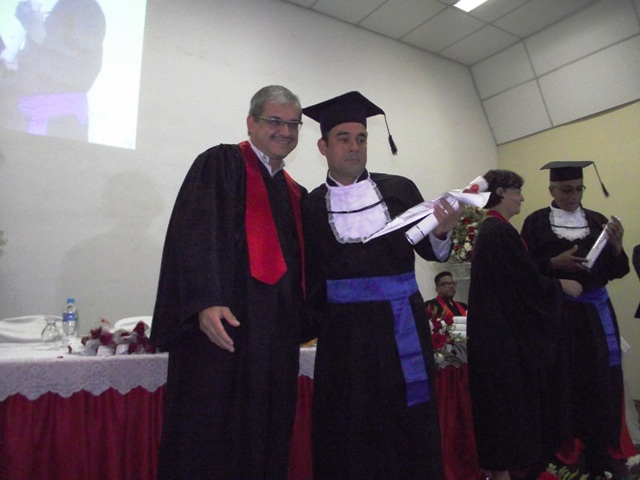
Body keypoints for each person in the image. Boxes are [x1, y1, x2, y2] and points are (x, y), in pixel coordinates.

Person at [302, 91, 462, 480]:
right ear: (323, 146)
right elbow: (310, 276)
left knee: (407, 420)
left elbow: (431, 250)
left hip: (401, 327)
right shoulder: (310, 206)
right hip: (345, 338)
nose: (354, 146)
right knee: (350, 423)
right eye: (343, 138)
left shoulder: (400, 189)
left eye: (361, 138)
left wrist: (442, 230)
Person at [150, 85, 307, 480]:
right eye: (275, 121)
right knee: (211, 435)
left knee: (267, 434)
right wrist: (204, 300)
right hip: (220, 334)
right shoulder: (220, 163)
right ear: (251, 122)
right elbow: (194, 232)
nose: (285, 131)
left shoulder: (295, 193)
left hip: (274, 343)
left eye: (293, 124)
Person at [466, 169, 582, 480]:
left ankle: (500, 470)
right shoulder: (499, 231)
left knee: (499, 409)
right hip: (502, 340)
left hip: (495, 335)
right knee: (505, 409)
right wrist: (560, 285)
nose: (522, 198)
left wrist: (551, 264)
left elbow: (519, 270)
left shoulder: (493, 229)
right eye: (517, 192)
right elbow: (523, 284)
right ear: (501, 193)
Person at [520, 161, 631, 478]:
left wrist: (617, 245)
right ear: (551, 190)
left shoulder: (596, 221)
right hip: (558, 315)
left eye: (579, 189)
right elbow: (525, 271)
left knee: (599, 380)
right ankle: (563, 453)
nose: (574, 196)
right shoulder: (536, 223)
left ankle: (599, 452)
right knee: (563, 379)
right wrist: (554, 266)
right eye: (567, 190)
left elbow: (617, 271)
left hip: (595, 314)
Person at [0, 0, 106, 140]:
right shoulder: (55, 6)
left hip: (58, 127)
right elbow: (33, 64)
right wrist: (16, 62)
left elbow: (83, 72)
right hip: (23, 120)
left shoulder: (85, 7)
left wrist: (37, 30)